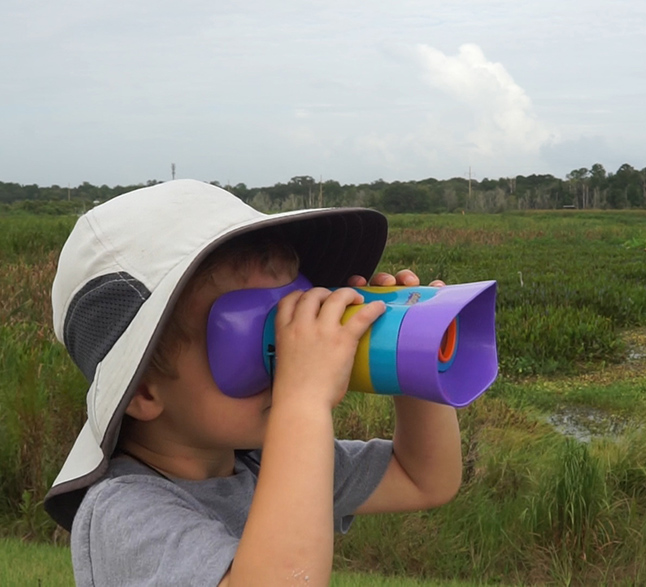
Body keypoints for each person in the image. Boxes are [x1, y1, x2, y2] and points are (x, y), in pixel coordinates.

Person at [44, 179, 463, 586]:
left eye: (294, 317)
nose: (289, 359)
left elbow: (423, 478)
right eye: (261, 340)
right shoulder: (122, 512)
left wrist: (411, 349)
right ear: (142, 390)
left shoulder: (261, 462)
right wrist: (303, 402)